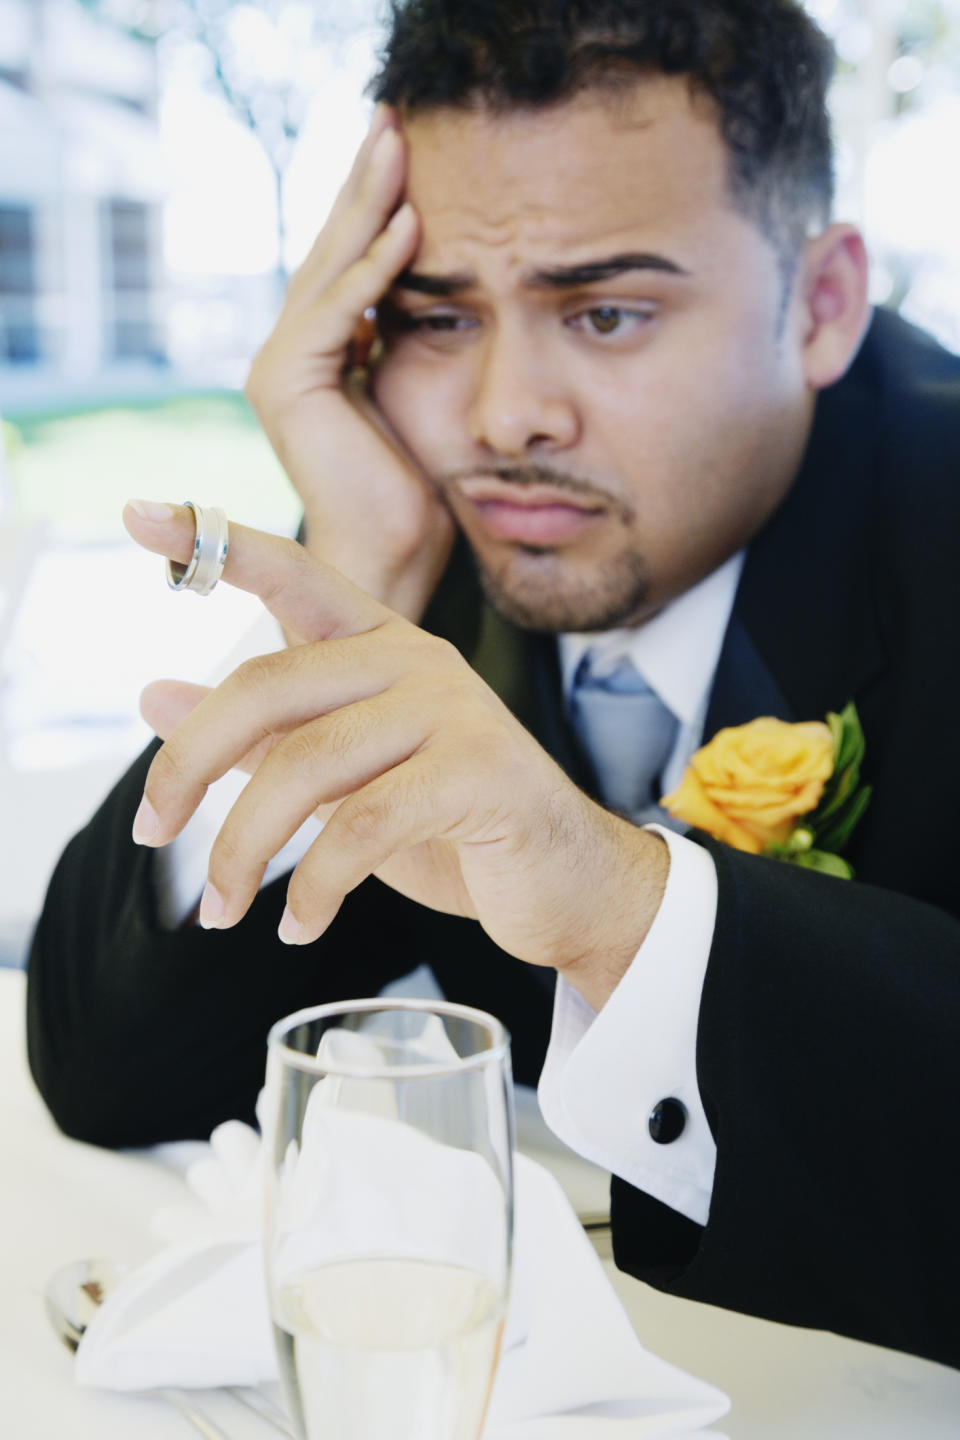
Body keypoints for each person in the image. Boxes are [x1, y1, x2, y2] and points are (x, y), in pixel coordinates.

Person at [27, 0, 960, 1370]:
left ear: (820, 306)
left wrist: (614, 901)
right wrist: (366, 561)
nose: (504, 417)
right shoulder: (440, 527)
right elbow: (111, 1070)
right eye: (436, 316)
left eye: (608, 311)